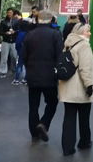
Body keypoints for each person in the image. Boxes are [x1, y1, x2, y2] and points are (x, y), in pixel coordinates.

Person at [22, 9, 63, 142]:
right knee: (52, 102)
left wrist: (30, 68)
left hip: (33, 75)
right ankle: (44, 123)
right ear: (51, 20)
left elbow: (24, 57)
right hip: (50, 76)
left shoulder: (30, 35)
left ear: (37, 19)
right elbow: (59, 56)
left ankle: (34, 133)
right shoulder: (55, 34)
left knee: (33, 105)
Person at [59, 23, 93, 156]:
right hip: (80, 88)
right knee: (84, 116)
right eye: (88, 31)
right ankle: (84, 141)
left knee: (69, 116)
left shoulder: (68, 43)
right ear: (81, 32)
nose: (89, 33)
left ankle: (67, 147)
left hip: (67, 87)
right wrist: (89, 85)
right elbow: (85, 68)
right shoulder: (84, 46)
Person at [0, 9, 18, 78]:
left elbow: (18, 30)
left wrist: (14, 32)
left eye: (11, 12)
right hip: (6, 40)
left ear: (13, 13)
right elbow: (0, 31)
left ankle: (13, 69)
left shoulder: (16, 21)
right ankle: (3, 71)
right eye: (8, 12)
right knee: (4, 57)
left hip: (13, 41)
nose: (9, 14)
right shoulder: (3, 22)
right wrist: (5, 33)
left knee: (14, 56)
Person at [13, 17, 29, 85]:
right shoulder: (30, 33)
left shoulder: (20, 33)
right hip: (29, 52)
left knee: (19, 65)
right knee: (27, 66)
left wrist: (18, 49)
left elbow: (18, 43)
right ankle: (25, 79)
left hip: (21, 51)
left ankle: (17, 79)